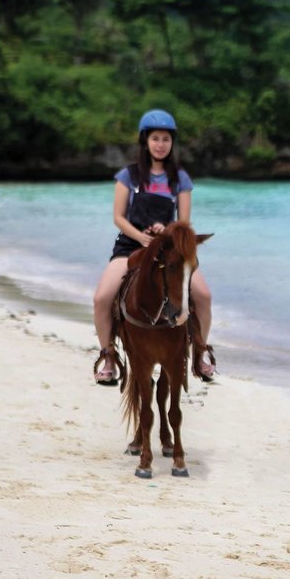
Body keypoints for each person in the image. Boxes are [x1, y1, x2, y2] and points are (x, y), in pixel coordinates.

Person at [92, 109, 215, 385]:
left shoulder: (180, 179)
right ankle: (108, 355)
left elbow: (183, 222)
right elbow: (118, 217)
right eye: (156, 138)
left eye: (166, 139)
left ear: (172, 144)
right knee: (102, 298)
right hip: (129, 246)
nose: (161, 144)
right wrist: (142, 237)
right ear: (145, 141)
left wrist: (166, 232)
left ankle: (200, 351)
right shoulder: (128, 176)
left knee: (204, 295)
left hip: (168, 249)